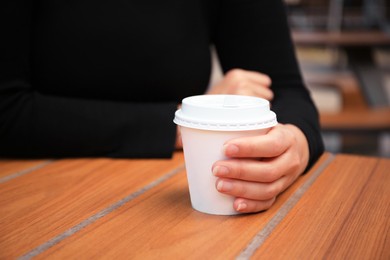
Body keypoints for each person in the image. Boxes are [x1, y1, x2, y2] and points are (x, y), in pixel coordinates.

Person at [1, 0, 324, 213]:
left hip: (182, 197)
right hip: (33, 196)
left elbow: (288, 93)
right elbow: (7, 111)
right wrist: (183, 124)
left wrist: (294, 145)